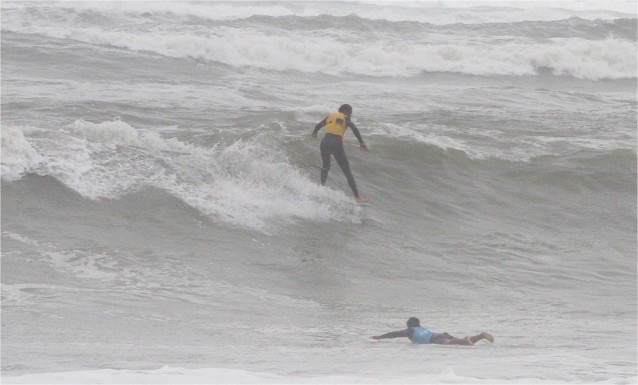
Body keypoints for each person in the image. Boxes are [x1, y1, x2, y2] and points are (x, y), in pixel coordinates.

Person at [312, 104, 368, 203]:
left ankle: (321, 188)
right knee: (347, 172)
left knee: (325, 167)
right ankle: (357, 197)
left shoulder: (330, 116)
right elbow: (354, 128)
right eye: (351, 112)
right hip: (336, 143)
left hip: (324, 143)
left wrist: (314, 133)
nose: (351, 115)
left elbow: (318, 126)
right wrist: (361, 142)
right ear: (346, 111)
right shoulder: (346, 118)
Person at [371, 317, 494, 345]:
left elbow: (395, 334)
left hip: (434, 339)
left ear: (409, 326)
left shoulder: (410, 331)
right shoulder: (421, 328)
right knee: (456, 342)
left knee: (451, 344)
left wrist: (380, 337)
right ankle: (480, 336)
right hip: (440, 334)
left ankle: (466, 339)